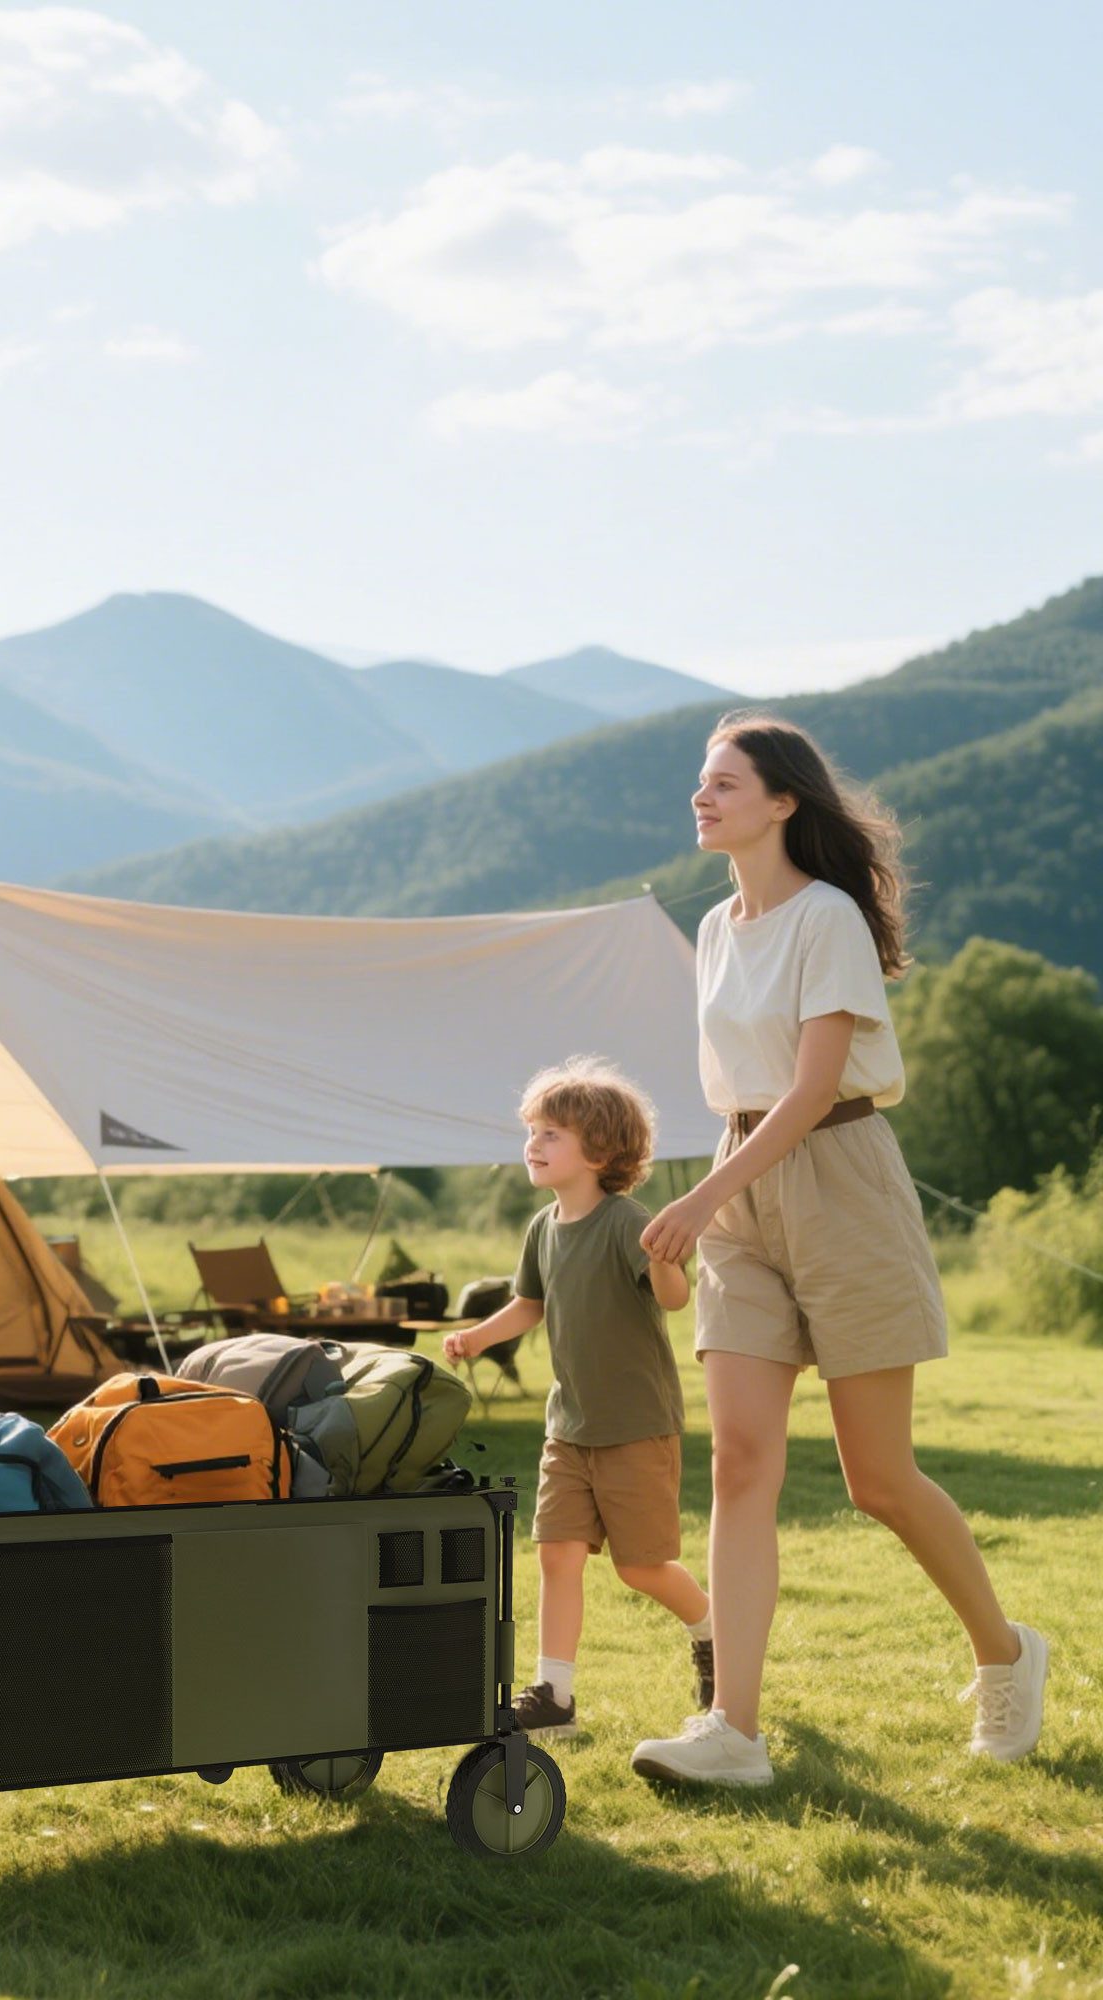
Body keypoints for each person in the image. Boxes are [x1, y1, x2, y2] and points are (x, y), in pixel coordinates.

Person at [629, 714, 1048, 1788]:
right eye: (698, 782)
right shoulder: (717, 927)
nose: (700, 797)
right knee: (738, 1461)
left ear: (780, 802)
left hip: (838, 1178)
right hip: (742, 1191)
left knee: (877, 1477)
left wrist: (700, 1195)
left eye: (722, 782)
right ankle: (733, 1727)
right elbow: (742, 1085)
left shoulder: (825, 919)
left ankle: (1004, 1652)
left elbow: (812, 1086)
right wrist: (717, 1193)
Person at [445, 1058, 708, 1740]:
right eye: (531, 1130)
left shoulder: (628, 1222)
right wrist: (477, 1338)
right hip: (569, 1428)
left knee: (641, 1566)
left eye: (551, 1133)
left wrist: (663, 1258)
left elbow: (674, 1299)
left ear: (601, 1150)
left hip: (635, 1426)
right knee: (556, 1554)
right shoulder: (541, 1227)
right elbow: (528, 1305)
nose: (533, 1143)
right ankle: (554, 1698)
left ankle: (713, 1631)